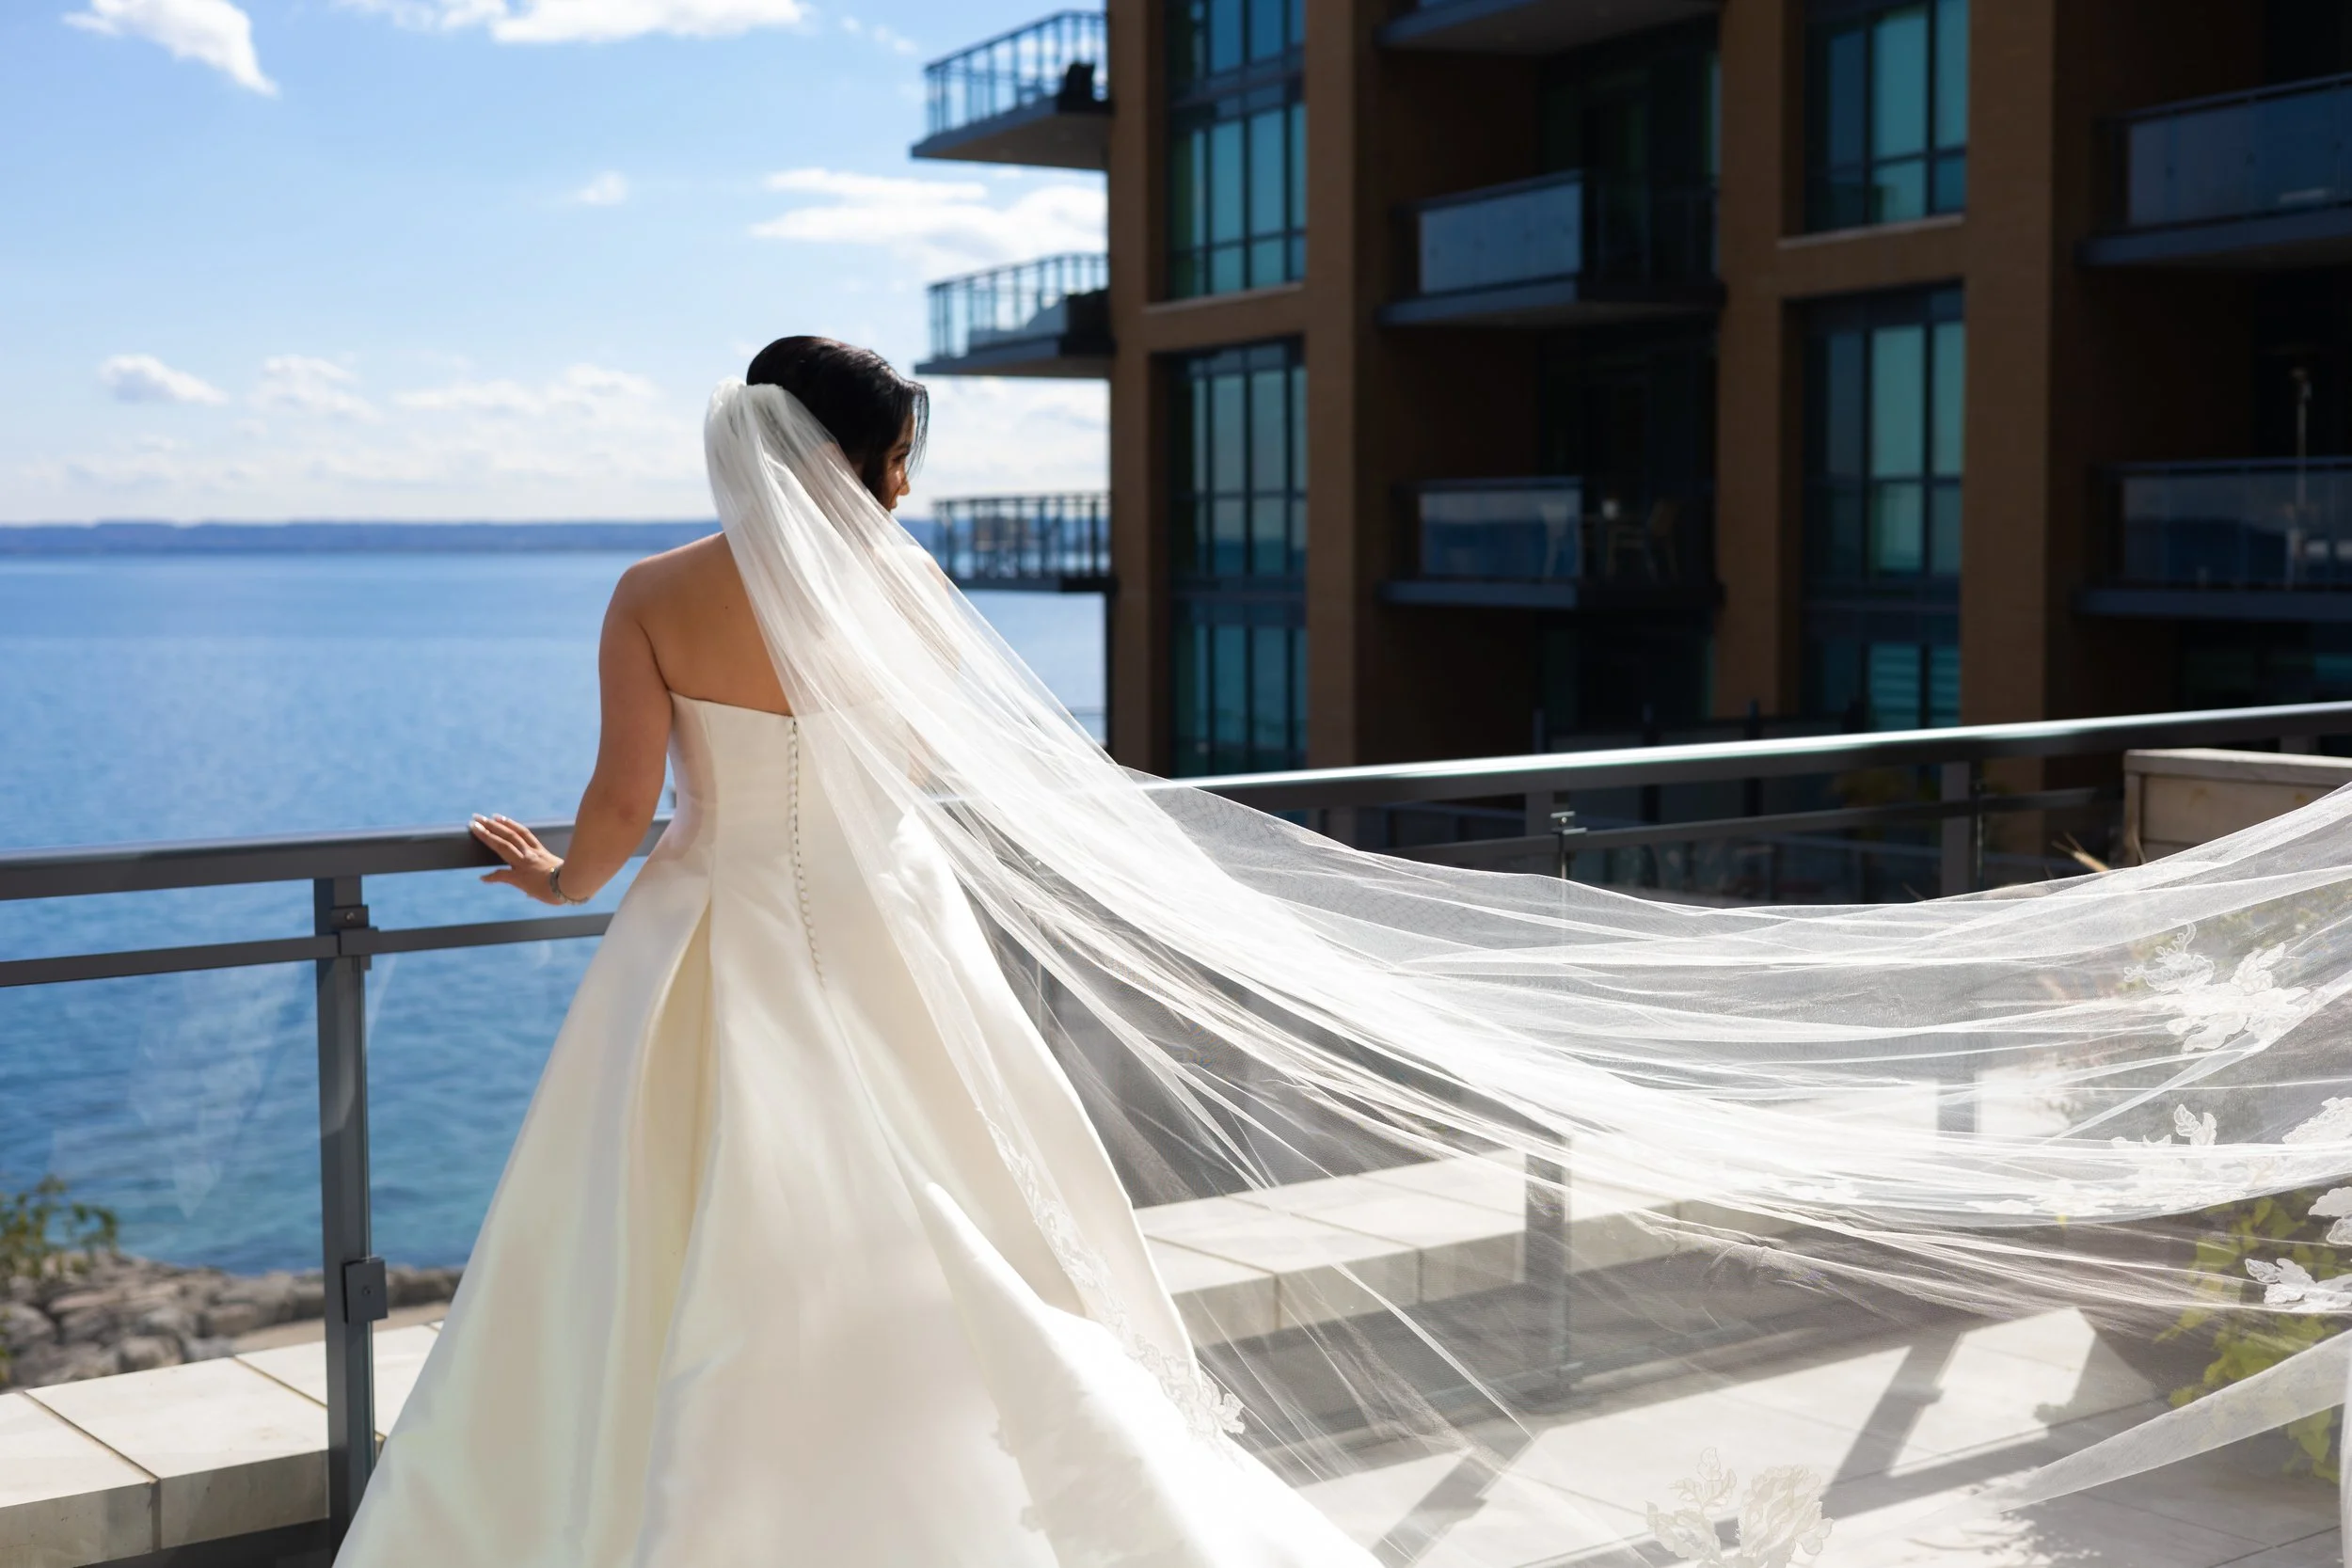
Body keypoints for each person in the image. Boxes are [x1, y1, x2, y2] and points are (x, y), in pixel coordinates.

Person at [342, 336, 2352, 1566]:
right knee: (950, 1226)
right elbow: (969, 782)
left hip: (721, 947)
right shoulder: (899, 588)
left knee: (679, 1253)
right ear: (869, 465)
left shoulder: (649, 589)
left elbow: (617, 835)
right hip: (890, 929)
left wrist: (531, 865)